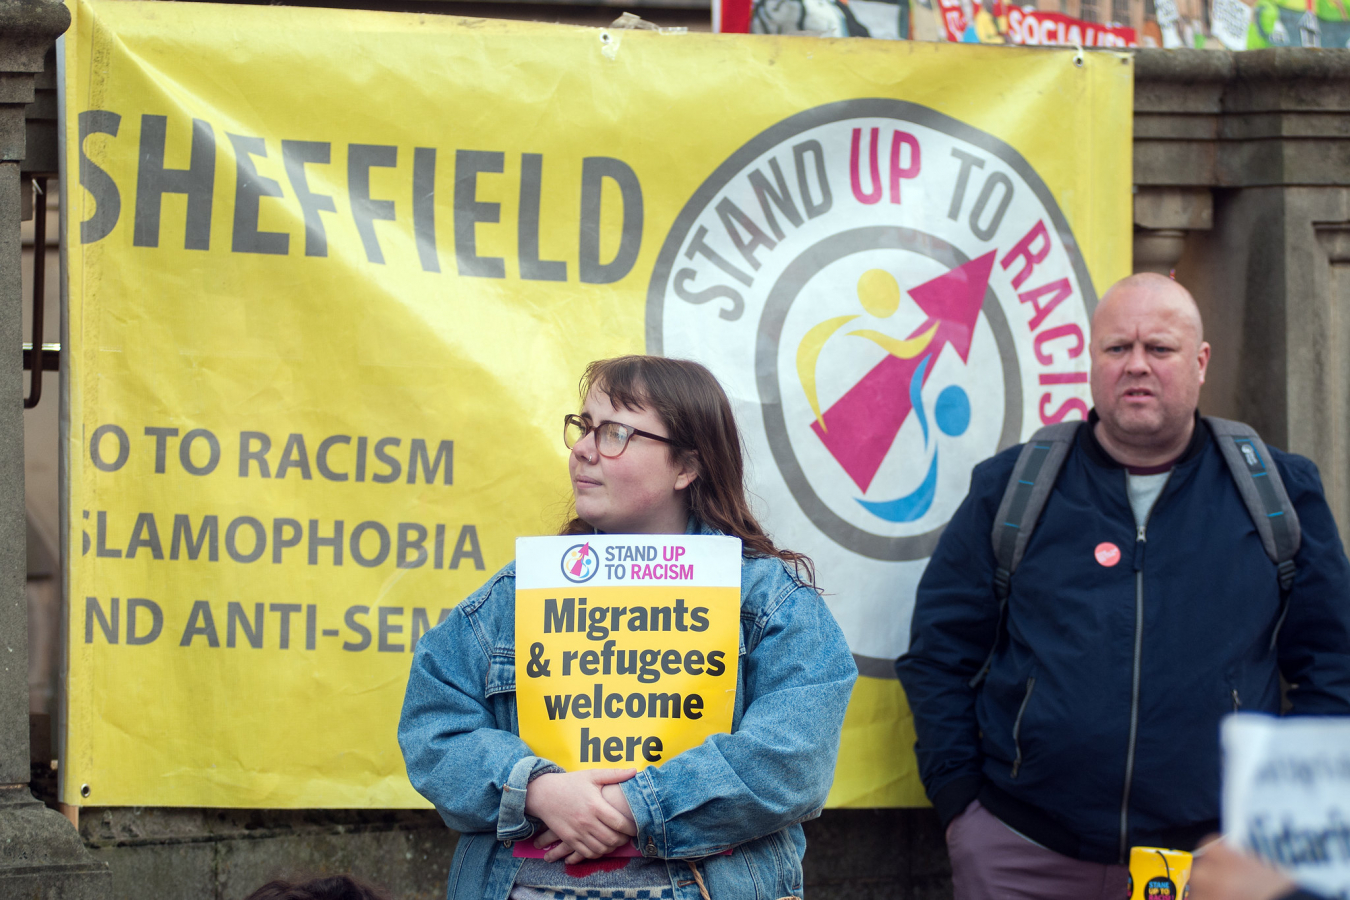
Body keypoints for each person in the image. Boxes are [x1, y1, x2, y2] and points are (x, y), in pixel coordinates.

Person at [895, 274, 1350, 900]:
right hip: (1026, 855)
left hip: (1217, 863)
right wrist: (961, 809)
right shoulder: (1012, 489)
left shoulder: (1279, 492)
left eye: (1158, 349)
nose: (1136, 365)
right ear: (1092, 361)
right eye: (1117, 349)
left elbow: (1334, 665)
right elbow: (939, 653)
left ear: (1200, 361)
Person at [399, 355, 857, 900]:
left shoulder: (771, 603)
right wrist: (537, 790)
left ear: (686, 466)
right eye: (584, 427)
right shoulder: (514, 597)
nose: (584, 449)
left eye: (615, 432)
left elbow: (792, 761)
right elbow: (433, 730)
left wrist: (635, 805)